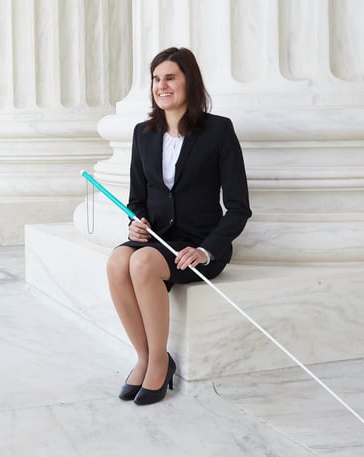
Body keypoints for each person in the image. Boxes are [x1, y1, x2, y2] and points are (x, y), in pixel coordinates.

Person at [106, 47, 251, 406]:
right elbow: (137, 199)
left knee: (140, 264)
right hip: (157, 239)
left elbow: (238, 207)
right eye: (156, 79)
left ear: (190, 81)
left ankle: (159, 362)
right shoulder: (144, 133)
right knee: (116, 262)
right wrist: (134, 224)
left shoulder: (219, 130)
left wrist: (206, 249)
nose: (162, 85)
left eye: (170, 77)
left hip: (198, 247)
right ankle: (146, 357)